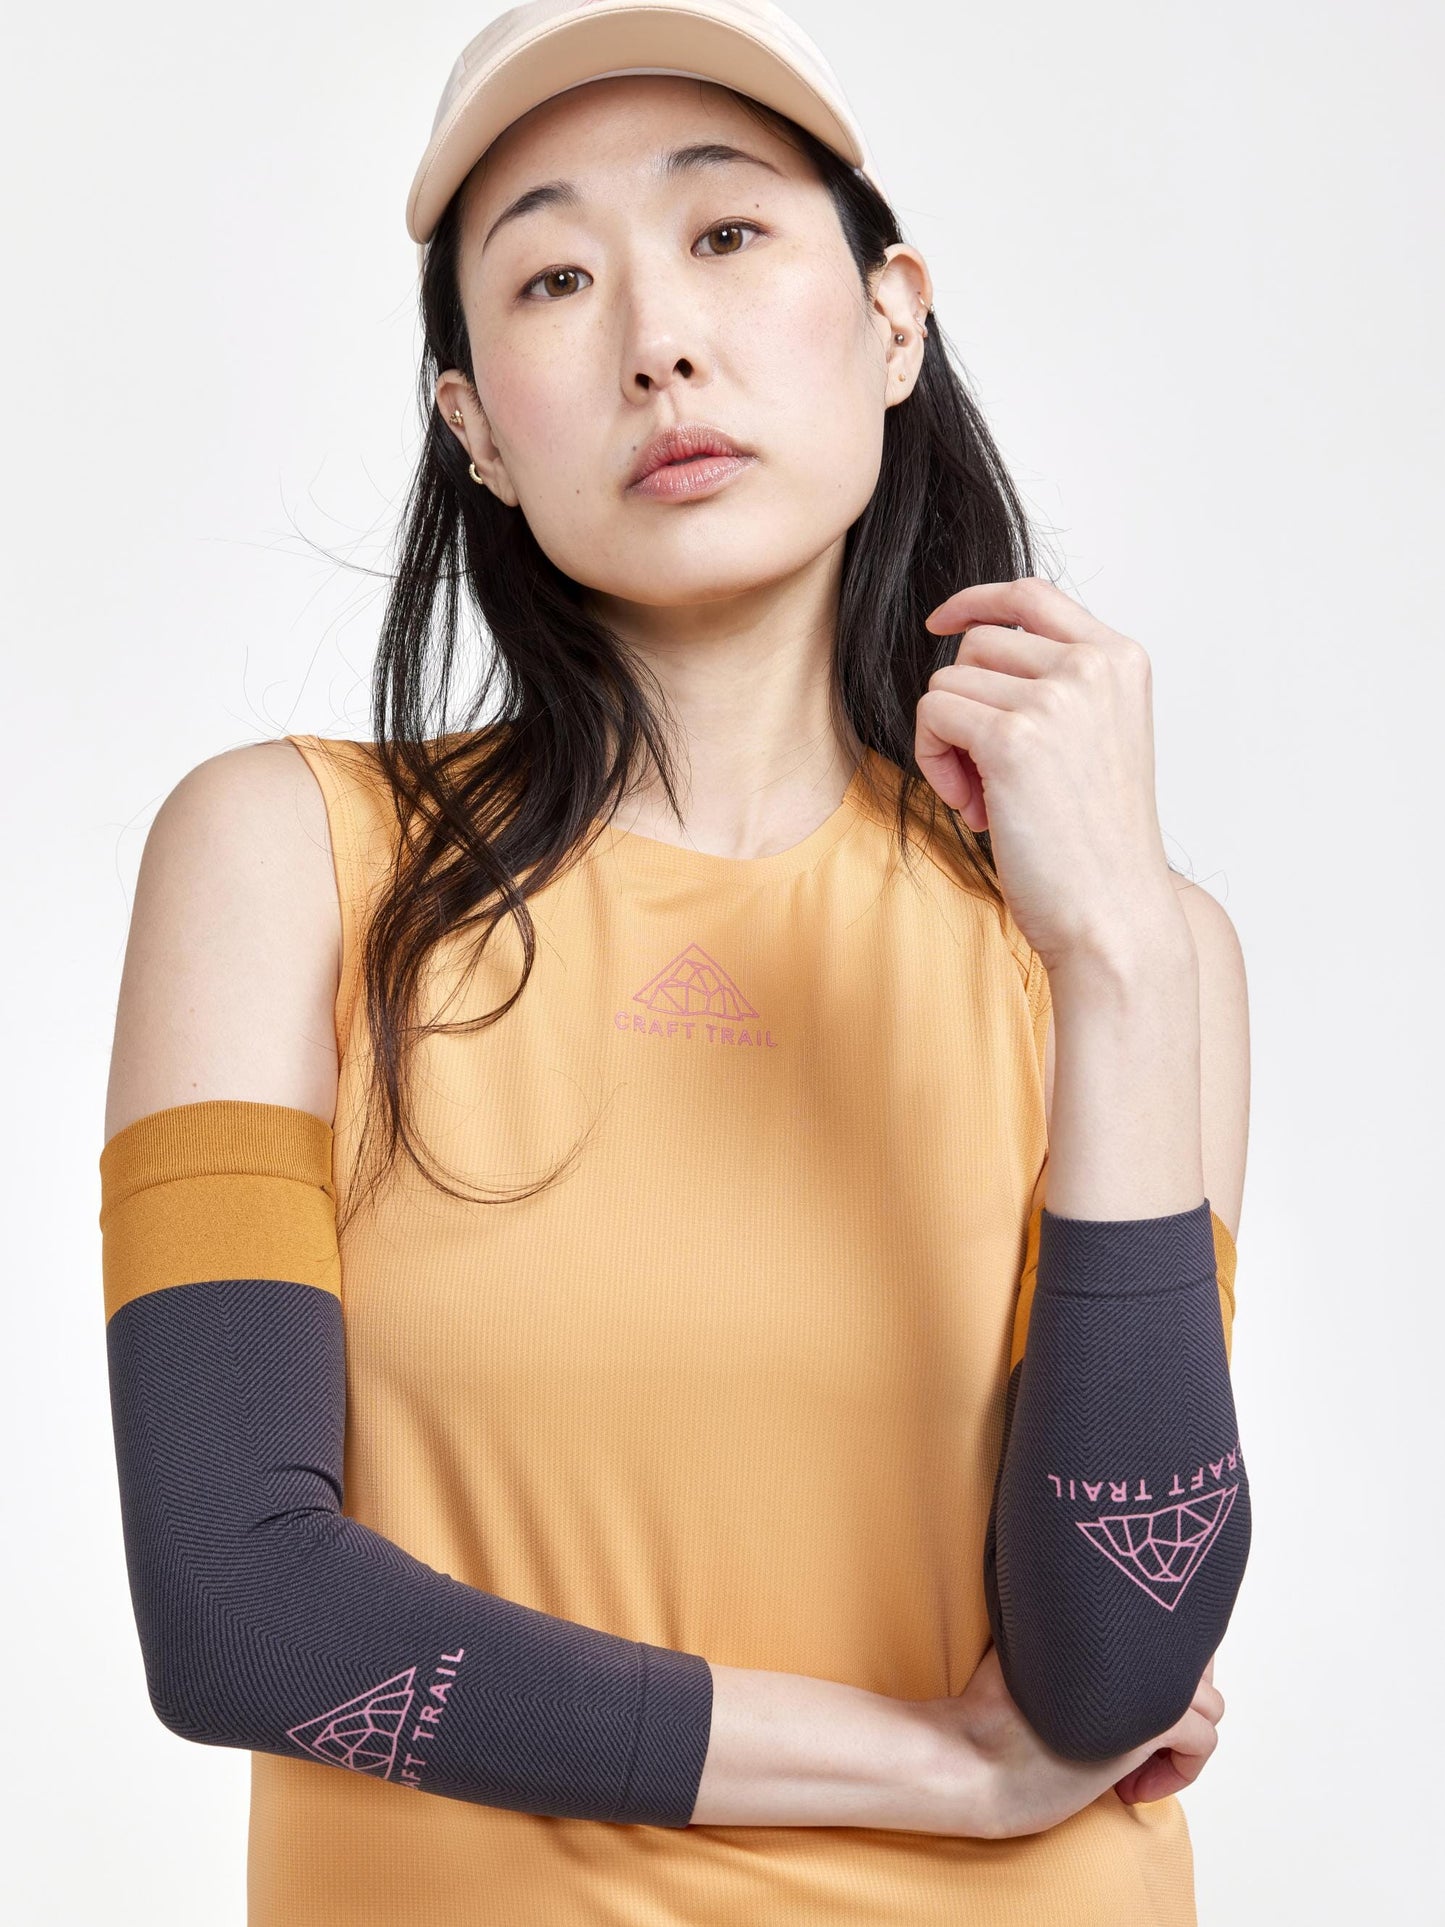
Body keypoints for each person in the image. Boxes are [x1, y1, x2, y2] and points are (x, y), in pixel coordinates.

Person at [98, 2, 1251, 1921]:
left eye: (725, 234)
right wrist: (937, 1771)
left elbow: (1117, 1659)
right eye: (553, 278)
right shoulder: (289, 861)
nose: (658, 340)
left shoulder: (1135, 952)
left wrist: (1121, 955)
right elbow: (240, 1610)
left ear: (893, 319)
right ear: (474, 425)